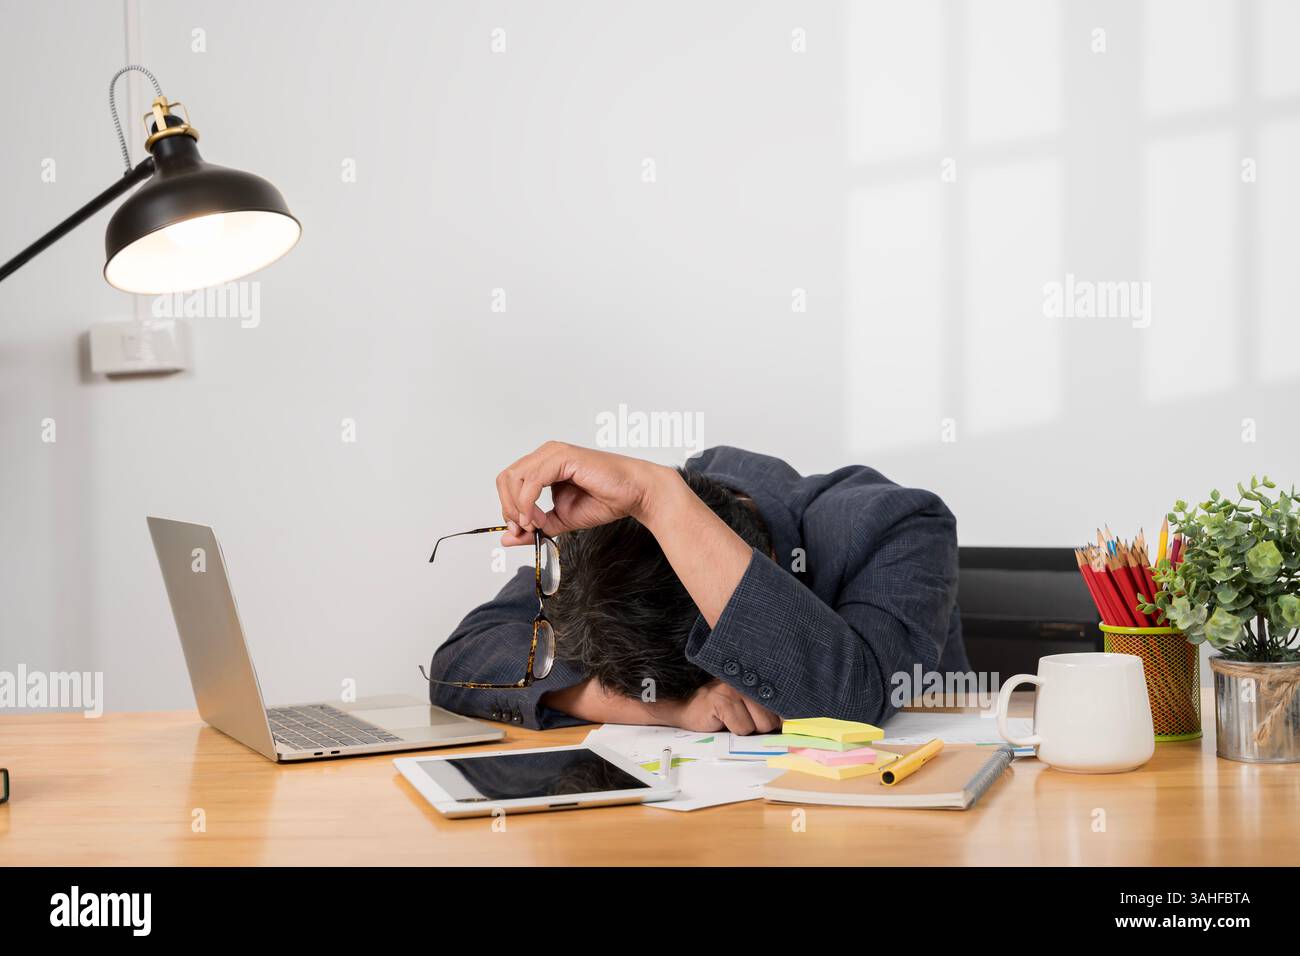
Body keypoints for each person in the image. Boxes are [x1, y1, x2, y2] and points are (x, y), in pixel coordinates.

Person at [425, 442, 967, 733]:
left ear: (769, 564)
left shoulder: (898, 524)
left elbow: (851, 701)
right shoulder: (613, 540)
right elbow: (462, 664)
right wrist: (665, 708)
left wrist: (660, 498)